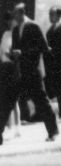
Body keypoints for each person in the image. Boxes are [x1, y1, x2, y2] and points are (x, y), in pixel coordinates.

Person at [11, 3, 58, 141]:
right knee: (8, 99)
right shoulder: (15, 30)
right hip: (20, 71)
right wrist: (13, 54)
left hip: (33, 71)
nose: (14, 16)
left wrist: (23, 53)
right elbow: (15, 48)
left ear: (22, 13)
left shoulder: (33, 26)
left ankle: (53, 131)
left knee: (41, 101)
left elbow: (44, 47)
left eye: (15, 13)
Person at [0, 11, 22, 146]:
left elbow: (15, 54)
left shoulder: (16, 34)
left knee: (13, 100)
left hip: (12, 68)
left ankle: (17, 127)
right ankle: (10, 126)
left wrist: (10, 56)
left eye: (10, 20)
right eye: (7, 20)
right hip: (4, 68)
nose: (9, 22)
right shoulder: (5, 34)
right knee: (5, 99)